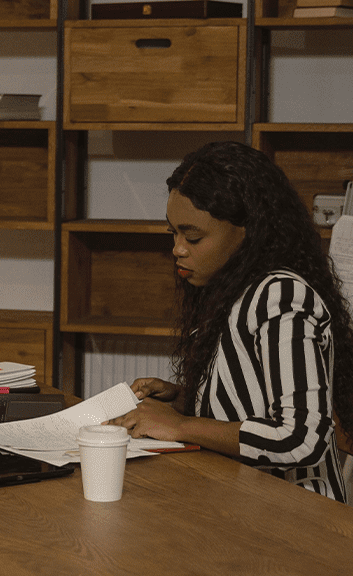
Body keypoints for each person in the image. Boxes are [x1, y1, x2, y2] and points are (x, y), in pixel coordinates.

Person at [108, 141, 353, 502]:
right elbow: (256, 399)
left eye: (193, 237)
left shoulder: (281, 297)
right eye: (172, 234)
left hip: (301, 520)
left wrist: (181, 425)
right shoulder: (229, 286)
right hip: (242, 501)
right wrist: (184, 399)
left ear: (248, 231)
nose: (178, 248)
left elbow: (302, 438)